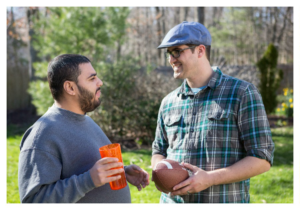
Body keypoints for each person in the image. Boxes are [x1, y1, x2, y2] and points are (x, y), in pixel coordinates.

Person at [151, 21, 275, 203]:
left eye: (177, 51)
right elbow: (158, 150)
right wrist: (161, 172)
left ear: (200, 51)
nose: (171, 59)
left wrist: (210, 179)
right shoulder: (168, 102)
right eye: (169, 53)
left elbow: (262, 158)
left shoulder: (241, 93)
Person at [18, 54, 149, 203]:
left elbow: (85, 167)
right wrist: (89, 180)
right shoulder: (43, 134)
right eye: (92, 78)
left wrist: (122, 171)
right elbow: (34, 201)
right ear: (70, 87)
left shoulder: (85, 120)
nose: (100, 82)